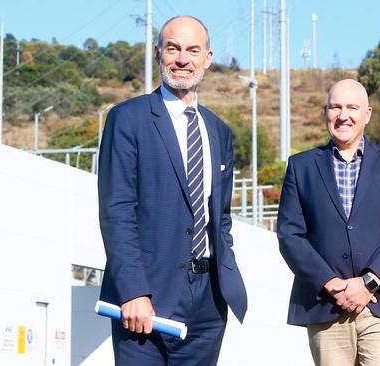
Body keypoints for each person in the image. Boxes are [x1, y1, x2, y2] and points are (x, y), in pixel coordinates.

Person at [97, 15, 247, 365]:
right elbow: (116, 212)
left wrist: (223, 283)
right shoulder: (127, 119)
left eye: (193, 50)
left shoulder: (219, 132)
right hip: (146, 300)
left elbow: (220, 217)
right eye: (173, 48)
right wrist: (133, 290)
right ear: (158, 53)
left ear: (207, 58)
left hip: (208, 304)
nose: (182, 59)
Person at [277, 78, 380, 366]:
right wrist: (330, 283)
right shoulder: (301, 166)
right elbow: (289, 235)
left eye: (352, 107)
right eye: (336, 107)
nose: (343, 115)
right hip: (326, 306)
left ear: (367, 114)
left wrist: (368, 282)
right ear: (325, 112)